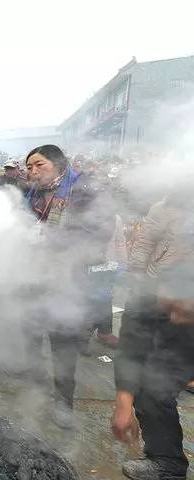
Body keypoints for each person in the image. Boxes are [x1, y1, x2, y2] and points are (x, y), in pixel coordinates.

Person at [24, 144, 113, 429]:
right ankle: (35, 384)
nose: (33, 171)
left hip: (69, 280)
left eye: (39, 165)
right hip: (36, 276)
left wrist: (57, 241)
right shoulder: (34, 193)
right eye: (29, 167)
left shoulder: (83, 189)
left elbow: (101, 230)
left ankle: (64, 402)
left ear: (59, 165)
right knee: (30, 332)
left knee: (63, 344)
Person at [112, 193, 194, 480]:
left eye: (181, 311)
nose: (172, 319)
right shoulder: (154, 291)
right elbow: (132, 341)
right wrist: (124, 402)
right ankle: (168, 463)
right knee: (152, 387)